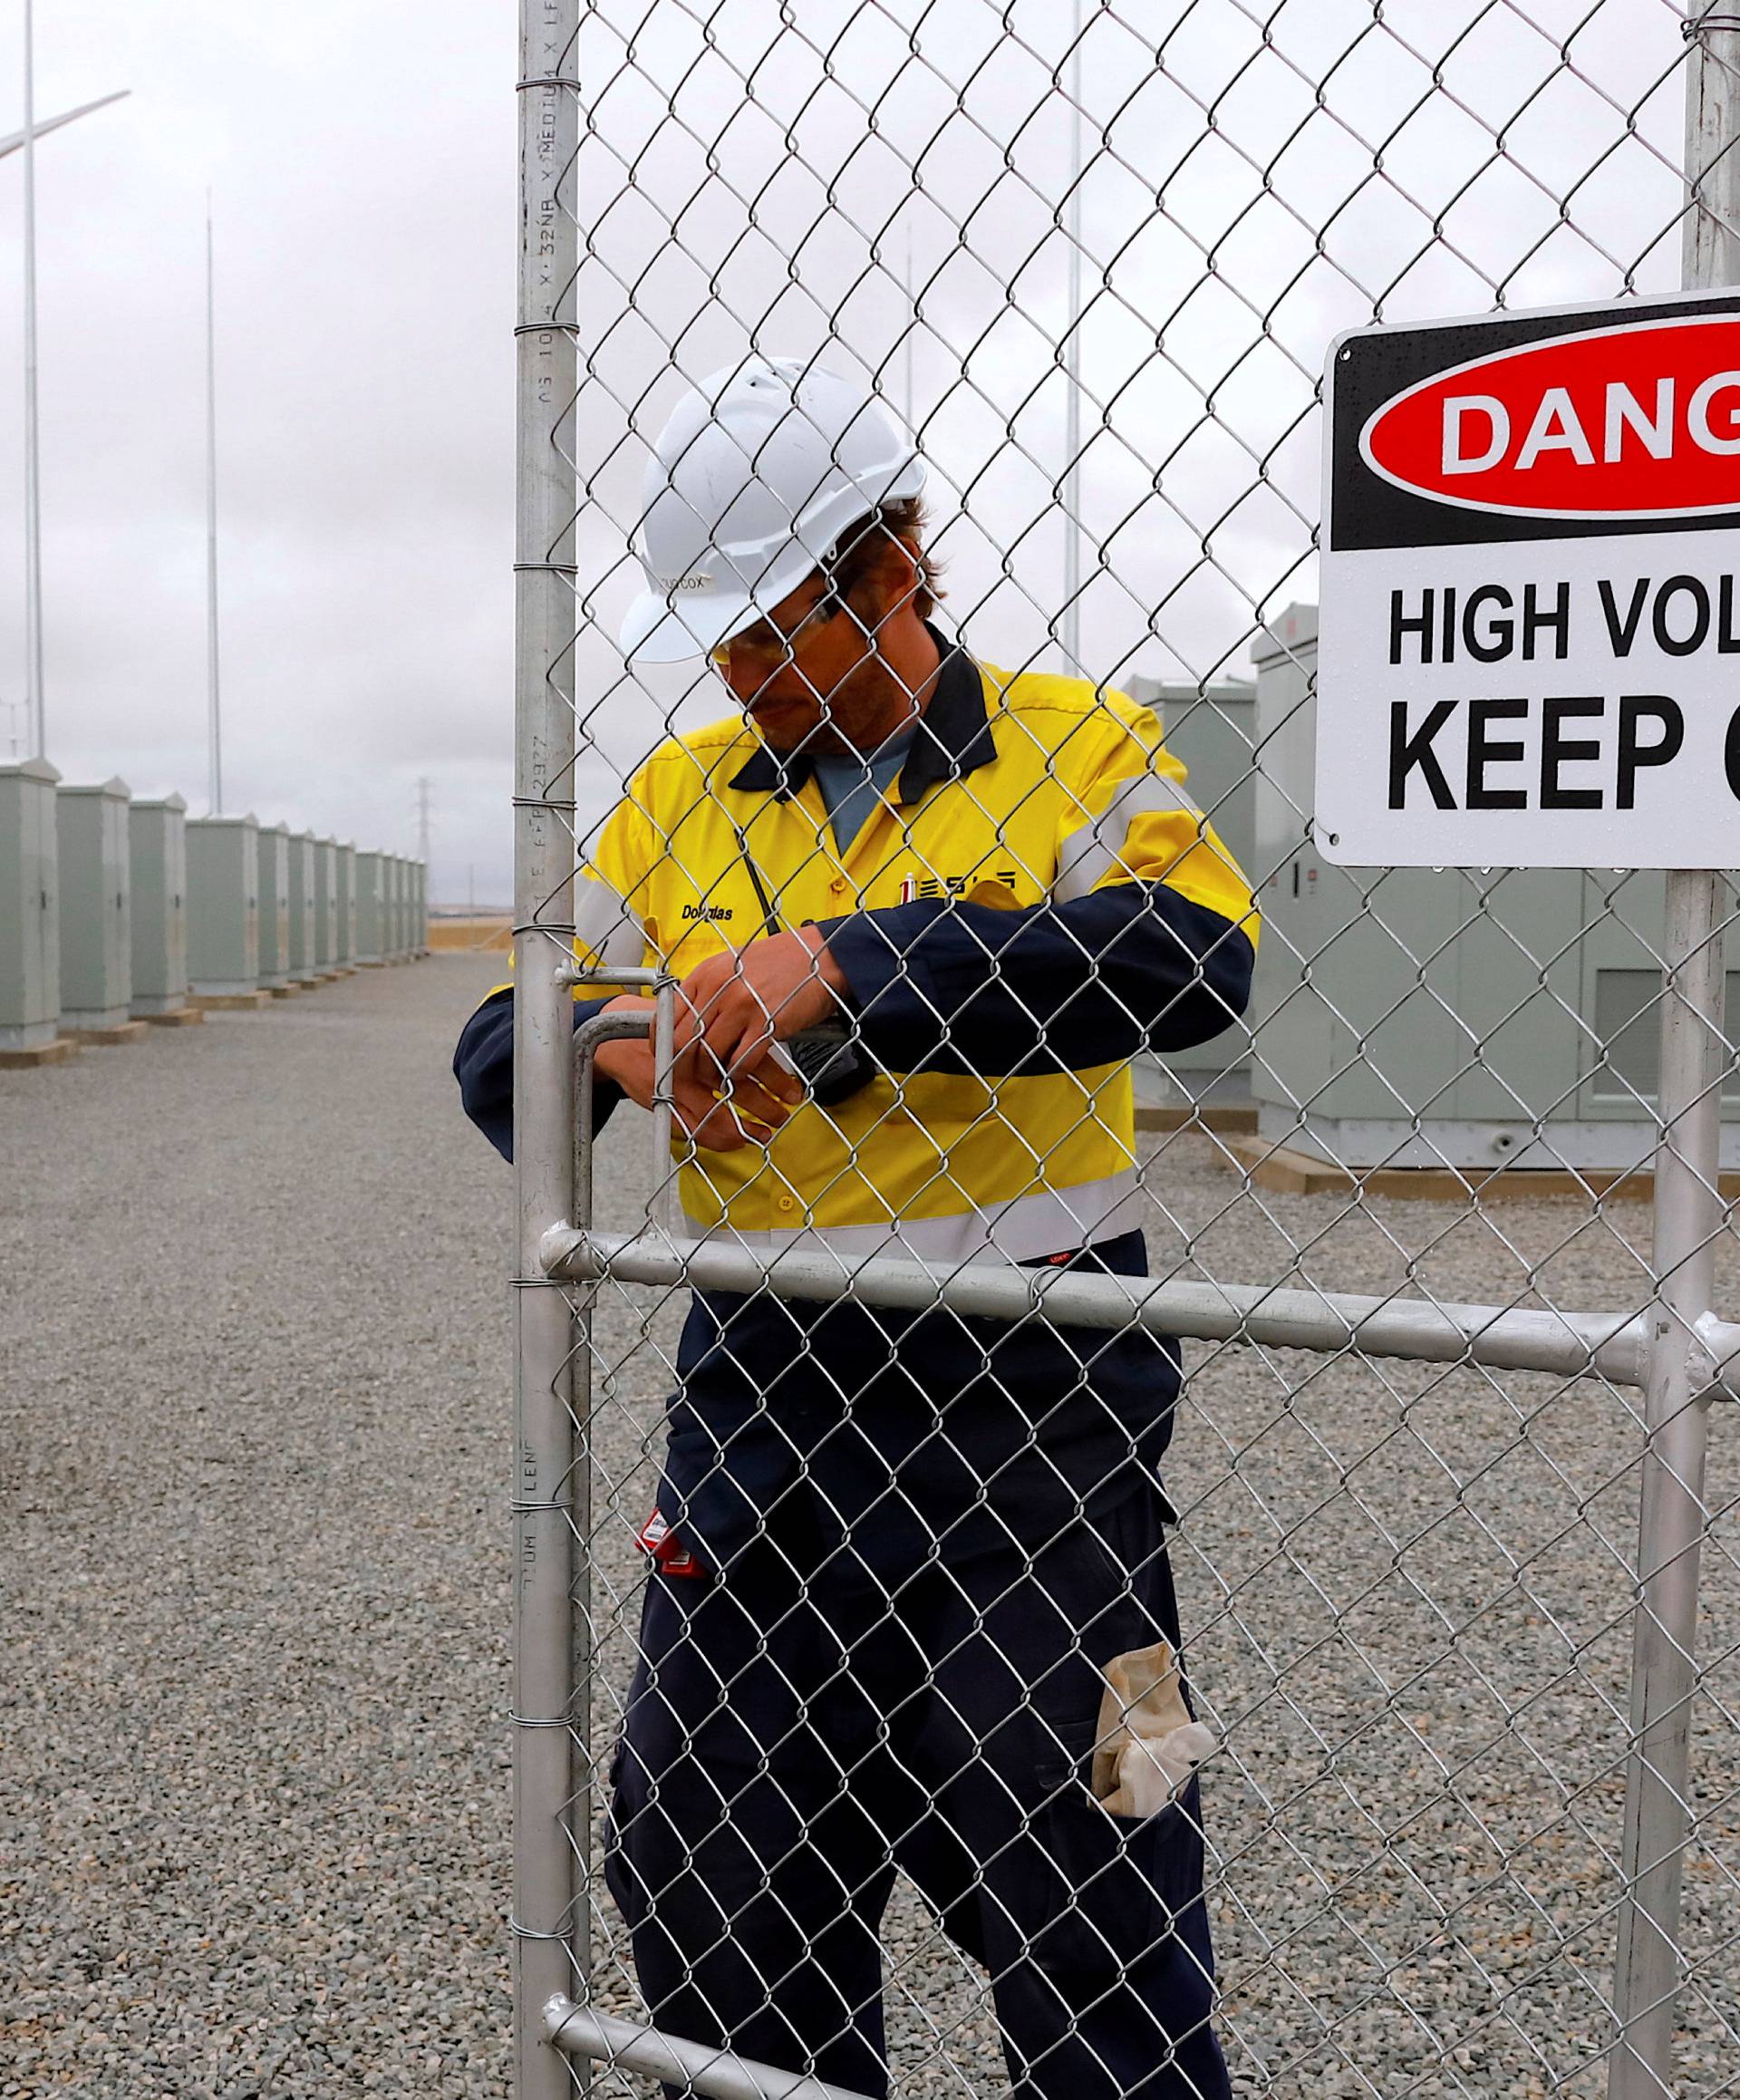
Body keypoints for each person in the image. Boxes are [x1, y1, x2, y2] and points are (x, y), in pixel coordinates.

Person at [456, 354, 1258, 2100]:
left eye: (772, 632)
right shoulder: (680, 795)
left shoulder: (1072, 743)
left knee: (1091, 1889)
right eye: (720, 639)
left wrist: (854, 967)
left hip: (1031, 1414)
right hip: (761, 1412)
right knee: (708, 1873)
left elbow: (1191, 959)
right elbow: (499, 1036)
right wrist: (635, 1044)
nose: (738, 672)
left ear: (892, 570)